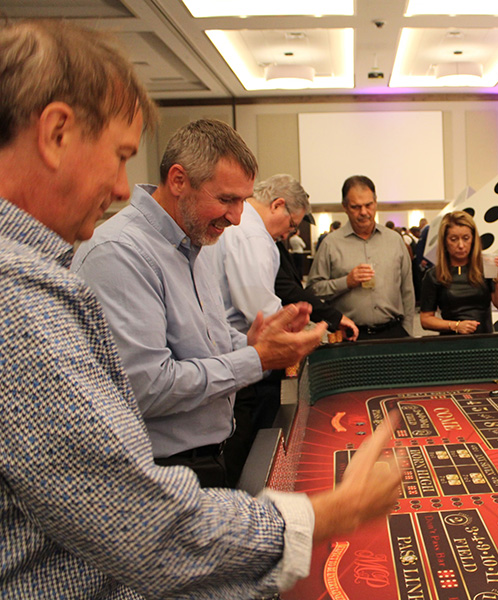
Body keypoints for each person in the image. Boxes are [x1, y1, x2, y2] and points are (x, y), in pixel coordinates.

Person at [0, 19, 399, 598]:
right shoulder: (22, 292)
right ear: (57, 132)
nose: (122, 188)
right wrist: (329, 513)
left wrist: (252, 344)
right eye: (119, 156)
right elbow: (138, 523)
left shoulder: (183, 251)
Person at [72, 119, 326, 488]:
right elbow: (148, 387)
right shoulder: (119, 252)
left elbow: (205, 341)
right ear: (179, 180)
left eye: (243, 201)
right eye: (226, 200)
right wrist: (256, 358)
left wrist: (252, 341)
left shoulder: (197, 241)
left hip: (207, 457)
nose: (237, 218)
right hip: (159, 473)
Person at [202, 173, 358, 484]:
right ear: (277, 205)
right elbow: (259, 310)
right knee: (243, 448)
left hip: (232, 351)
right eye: (291, 225)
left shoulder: (246, 231)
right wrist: (306, 332)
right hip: (241, 357)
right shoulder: (252, 235)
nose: (289, 234)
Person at [307, 175, 415, 340]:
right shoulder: (331, 244)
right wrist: (346, 282)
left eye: (368, 205)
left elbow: (407, 290)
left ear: (376, 203)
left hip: (394, 333)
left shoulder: (394, 240)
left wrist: (407, 331)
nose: (363, 212)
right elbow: (313, 291)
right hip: (351, 336)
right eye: (355, 207)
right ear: (345, 207)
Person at [419, 211, 498, 334]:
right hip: (453, 341)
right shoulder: (434, 275)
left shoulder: (484, 268)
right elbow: (425, 319)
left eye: (466, 238)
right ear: (445, 242)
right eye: (454, 239)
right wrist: (456, 326)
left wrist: (497, 277)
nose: (461, 245)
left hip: (485, 340)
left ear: (473, 240)